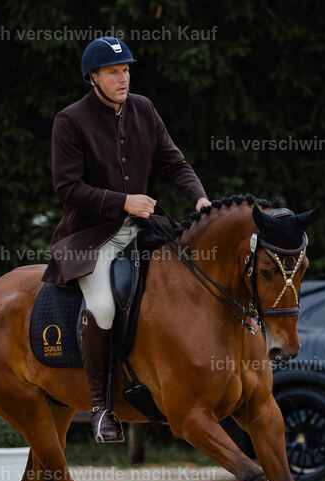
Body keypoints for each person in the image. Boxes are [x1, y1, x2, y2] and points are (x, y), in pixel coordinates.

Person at [42, 36, 211, 443]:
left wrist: (202, 200)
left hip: (145, 230)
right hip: (91, 237)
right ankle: (102, 409)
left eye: (127, 70)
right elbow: (67, 187)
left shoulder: (144, 108)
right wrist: (123, 202)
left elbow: (174, 161)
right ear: (94, 77)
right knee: (102, 306)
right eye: (115, 72)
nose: (124, 78)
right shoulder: (70, 120)